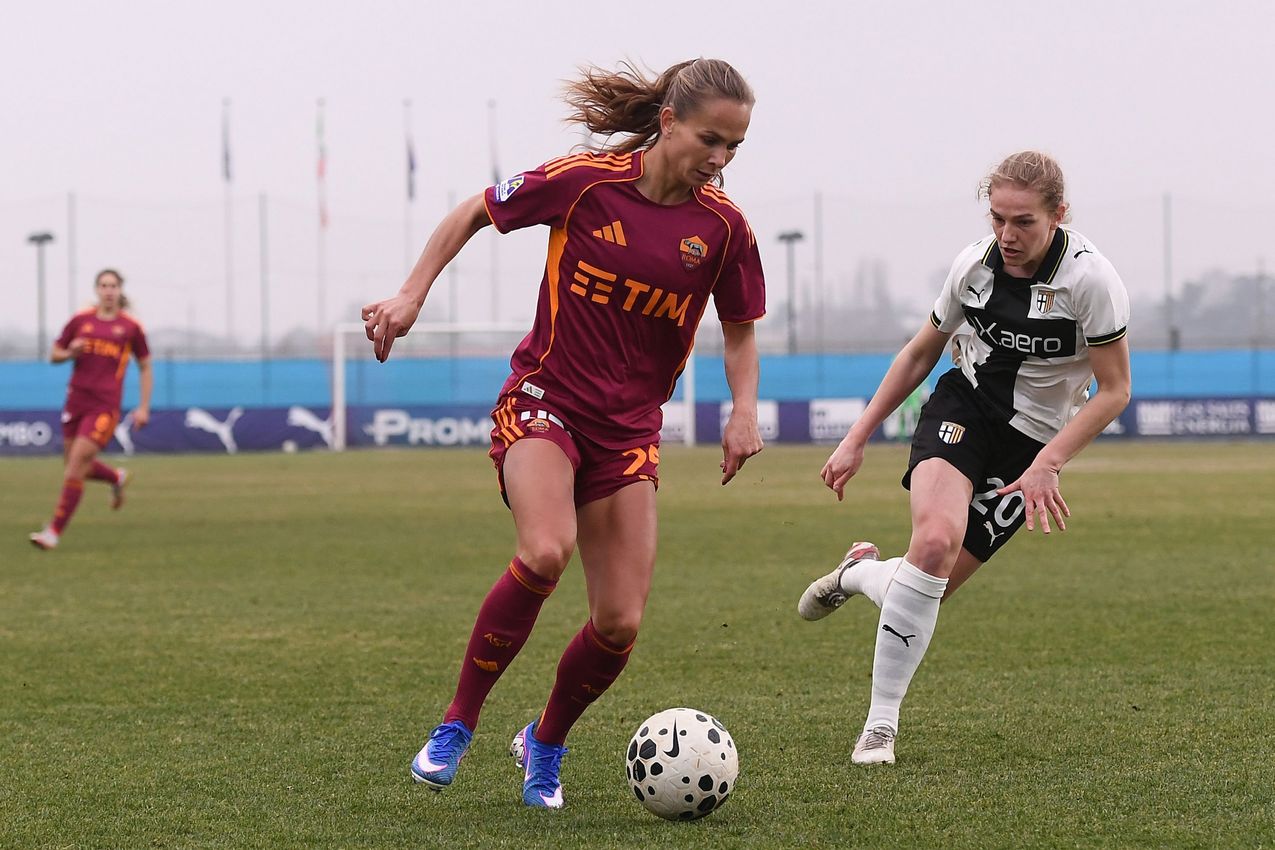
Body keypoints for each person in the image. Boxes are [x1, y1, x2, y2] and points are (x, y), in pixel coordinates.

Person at [361, 58, 765, 809]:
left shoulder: (723, 228)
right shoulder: (584, 182)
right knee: (545, 550)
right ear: (669, 122)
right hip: (544, 401)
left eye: (735, 146)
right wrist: (410, 294)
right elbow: (472, 212)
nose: (720, 159)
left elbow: (739, 329)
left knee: (618, 623)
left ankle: (544, 740)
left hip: (628, 433)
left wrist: (744, 408)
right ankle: (457, 724)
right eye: (710, 139)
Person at [797, 151, 1131, 765]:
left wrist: (1048, 462)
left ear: (1059, 215)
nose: (1007, 235)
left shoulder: (1091, 282)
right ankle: (880, 727)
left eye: (1024, 221)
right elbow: (921, 352)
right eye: (998, 218)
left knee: (926, 590)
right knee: (932, 544)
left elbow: (1114, 390)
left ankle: (859, 573)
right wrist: (858, 435)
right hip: (964, 407)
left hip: (1034, 444)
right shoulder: (973, 268)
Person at [29, 269, 152, 550]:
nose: (108, 290)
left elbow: (145, 366)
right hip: (76, 402)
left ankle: (53, 532)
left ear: (120, 291)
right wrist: (70, 352)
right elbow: (54, 355)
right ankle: (116, 477)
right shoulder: (80, 321)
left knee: (76, 465)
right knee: (76, 466)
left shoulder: (130, 327)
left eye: (113, 286)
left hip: (105, 406)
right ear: (97, 290)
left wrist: (143, 406)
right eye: (104, 285)